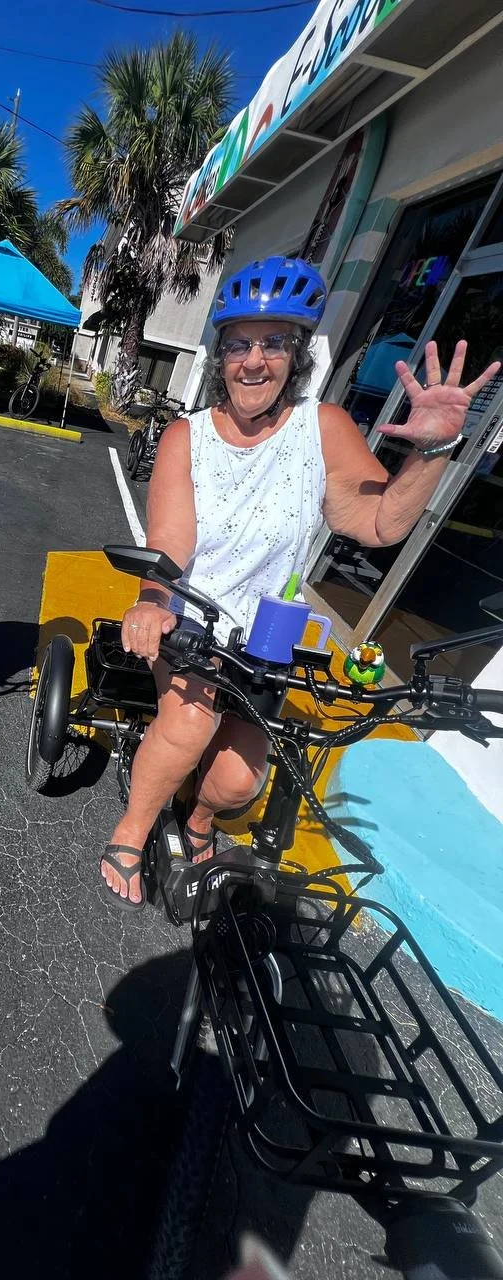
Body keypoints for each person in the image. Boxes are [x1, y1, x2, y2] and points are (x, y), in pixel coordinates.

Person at [101, 255, 501, 909]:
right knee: (190, 724)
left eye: (273, 342)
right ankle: (131, 829)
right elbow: (170, 541)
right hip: (193, 621)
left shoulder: (324, 428)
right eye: (239, 343)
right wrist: (151, 601)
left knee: (238, 785)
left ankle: (196, 821)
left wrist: (432, 452)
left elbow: (379, 522)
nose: (254, 360)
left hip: (268, 636)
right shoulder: (186, 437)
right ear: (220, 353)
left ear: (295, 352)